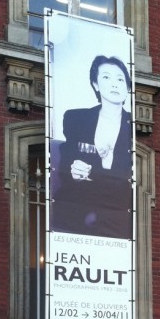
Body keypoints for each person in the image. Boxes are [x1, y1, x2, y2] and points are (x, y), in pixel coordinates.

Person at [50, 55, 133, 239]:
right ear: (95, 84)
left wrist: (105, 161)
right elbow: (65, 163)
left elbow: (130, 181)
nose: (114, 84)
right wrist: (74, 170)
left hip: (118, 217)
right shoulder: (76, 119)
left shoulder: (133, 127)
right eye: (106, 77)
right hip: (76, 211)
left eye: (120, 79)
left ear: (128, 87)